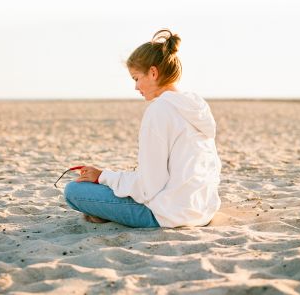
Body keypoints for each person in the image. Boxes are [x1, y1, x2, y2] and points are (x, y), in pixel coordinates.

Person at [64, 29, 221, 228]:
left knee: (73, 192)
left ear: (153, 73)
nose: (136, 87)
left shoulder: (159, 110)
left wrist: (102, 176)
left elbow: (149, 188)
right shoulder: (197, 107)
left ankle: (108, 212)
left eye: (136, 78)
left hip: (168, 215)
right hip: (203, 211)